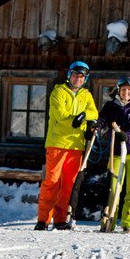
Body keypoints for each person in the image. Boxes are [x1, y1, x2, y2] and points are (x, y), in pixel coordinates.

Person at [36, 61, 99, 230]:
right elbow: (61, 116)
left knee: (68, 184)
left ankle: (60, 219)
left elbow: (94, 112)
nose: (78, 79)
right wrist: (77, 120)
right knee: (52, 182)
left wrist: (84, 116)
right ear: (69, 75)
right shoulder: (58, 92)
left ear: (85, 79)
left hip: (76, 145)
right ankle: (43, 220)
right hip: (57, 143)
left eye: (82, 76)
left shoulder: (86, 95)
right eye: (75, 75)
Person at [96, 76, 130, 233]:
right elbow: (102, 120)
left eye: (129, 90)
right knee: (114, 188)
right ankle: (110, 219)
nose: (126, 93)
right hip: (116, 152)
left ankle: (128, 223)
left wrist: (127, 135)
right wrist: (95, 127)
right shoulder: (111, 106)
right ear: (118, 91)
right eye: (123, 90)